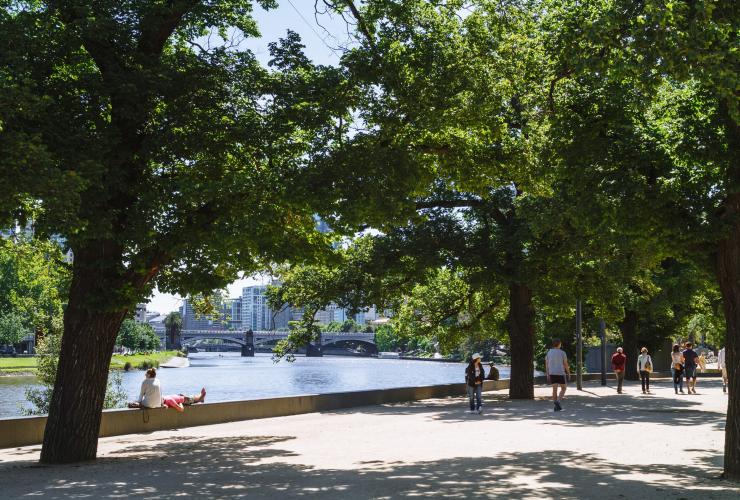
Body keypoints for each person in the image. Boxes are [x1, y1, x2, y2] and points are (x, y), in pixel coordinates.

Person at [545, 339, 570, 411]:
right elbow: (565, 364)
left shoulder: (548, 353)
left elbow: (546, 364)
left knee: (554, 389)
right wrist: (568, 373)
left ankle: (555, 405)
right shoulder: (562, 353)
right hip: (560, 373)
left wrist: (547, 374)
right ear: (559, 344)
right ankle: (558, 401)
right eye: (560, 344)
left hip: (552, 373)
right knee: (564, 388)